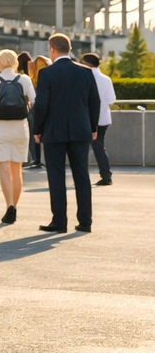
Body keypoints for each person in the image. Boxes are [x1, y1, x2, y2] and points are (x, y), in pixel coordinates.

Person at [31, 33, 100, 233]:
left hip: (54, 131)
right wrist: (93, 128)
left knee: (56, 176)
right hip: (81, 130)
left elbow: (41, 105)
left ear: (52, 49)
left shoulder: (47, 74)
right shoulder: (86, 72)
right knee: (82, 175)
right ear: (69, 48)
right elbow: (94, 102)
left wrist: (38, 129)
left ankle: (59, 222)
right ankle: (85, 221)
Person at [0, 48, 34, 224]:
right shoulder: (25, 79)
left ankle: (9, 206)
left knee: (4, 170)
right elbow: (35, 101)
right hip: (20, 128)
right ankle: (15, 207)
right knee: (17, 170)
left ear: (0, 63)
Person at [81, 53, 116, 186]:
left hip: (86, 118)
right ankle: (106, 174)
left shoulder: (83, 77)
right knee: (99, 146)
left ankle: (84, 175)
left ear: (86, 63)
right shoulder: (106, 79)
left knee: (82, 148)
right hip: (103, 118)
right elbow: (111, 100)